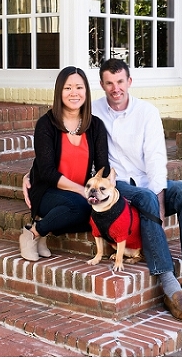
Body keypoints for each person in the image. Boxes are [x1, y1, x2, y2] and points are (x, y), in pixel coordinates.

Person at [91, 58, 182, 321]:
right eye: (109, 83)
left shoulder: (147, 112)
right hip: (118, 185)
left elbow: (156, 159)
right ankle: (170, 286)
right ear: (102, 85)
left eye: (120, 82)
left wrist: (160, 201)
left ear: (129, 81)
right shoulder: (94, 111)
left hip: (146, 181)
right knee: (146, 197)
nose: (115, 88)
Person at [19, 66, 110, 262]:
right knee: (81, 207)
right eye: (68, 88)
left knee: (98, 212)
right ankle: (32, 233)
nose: (74, 93)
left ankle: (45, 228)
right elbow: (47, 172)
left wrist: (103, 190)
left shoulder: (95, 126)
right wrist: (81, 190)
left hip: (78, 193)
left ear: (86, 91)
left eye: (79, 87)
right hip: (47, 190)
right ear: (59, 92)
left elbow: (103, 167)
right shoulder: (46, 124)